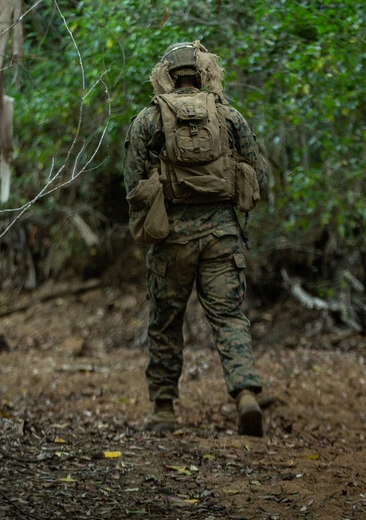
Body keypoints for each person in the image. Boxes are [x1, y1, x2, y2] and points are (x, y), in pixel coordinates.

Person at [123, 41, 269, 436]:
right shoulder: (229, 116)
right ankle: (245, 395)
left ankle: (164, 410)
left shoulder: (148, 120)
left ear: (167, 75)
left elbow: (132, 184)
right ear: (204, 72)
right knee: (228, 317)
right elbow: (260, 175)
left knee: (166, 322)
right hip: (222, 235)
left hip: (172, 238)